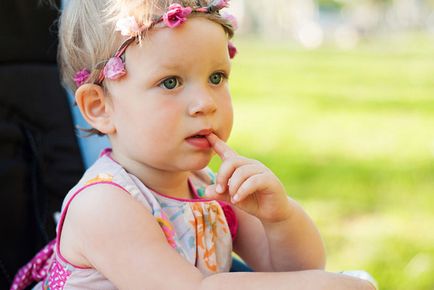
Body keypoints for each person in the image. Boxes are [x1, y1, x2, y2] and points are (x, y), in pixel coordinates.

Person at [11, 0, 376, 289]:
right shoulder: (103, 205)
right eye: (170, 83)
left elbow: (297, 270)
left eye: (217, 77)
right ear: (100, 107)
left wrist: (279, 217)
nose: (206, 102)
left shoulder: (207, 186)